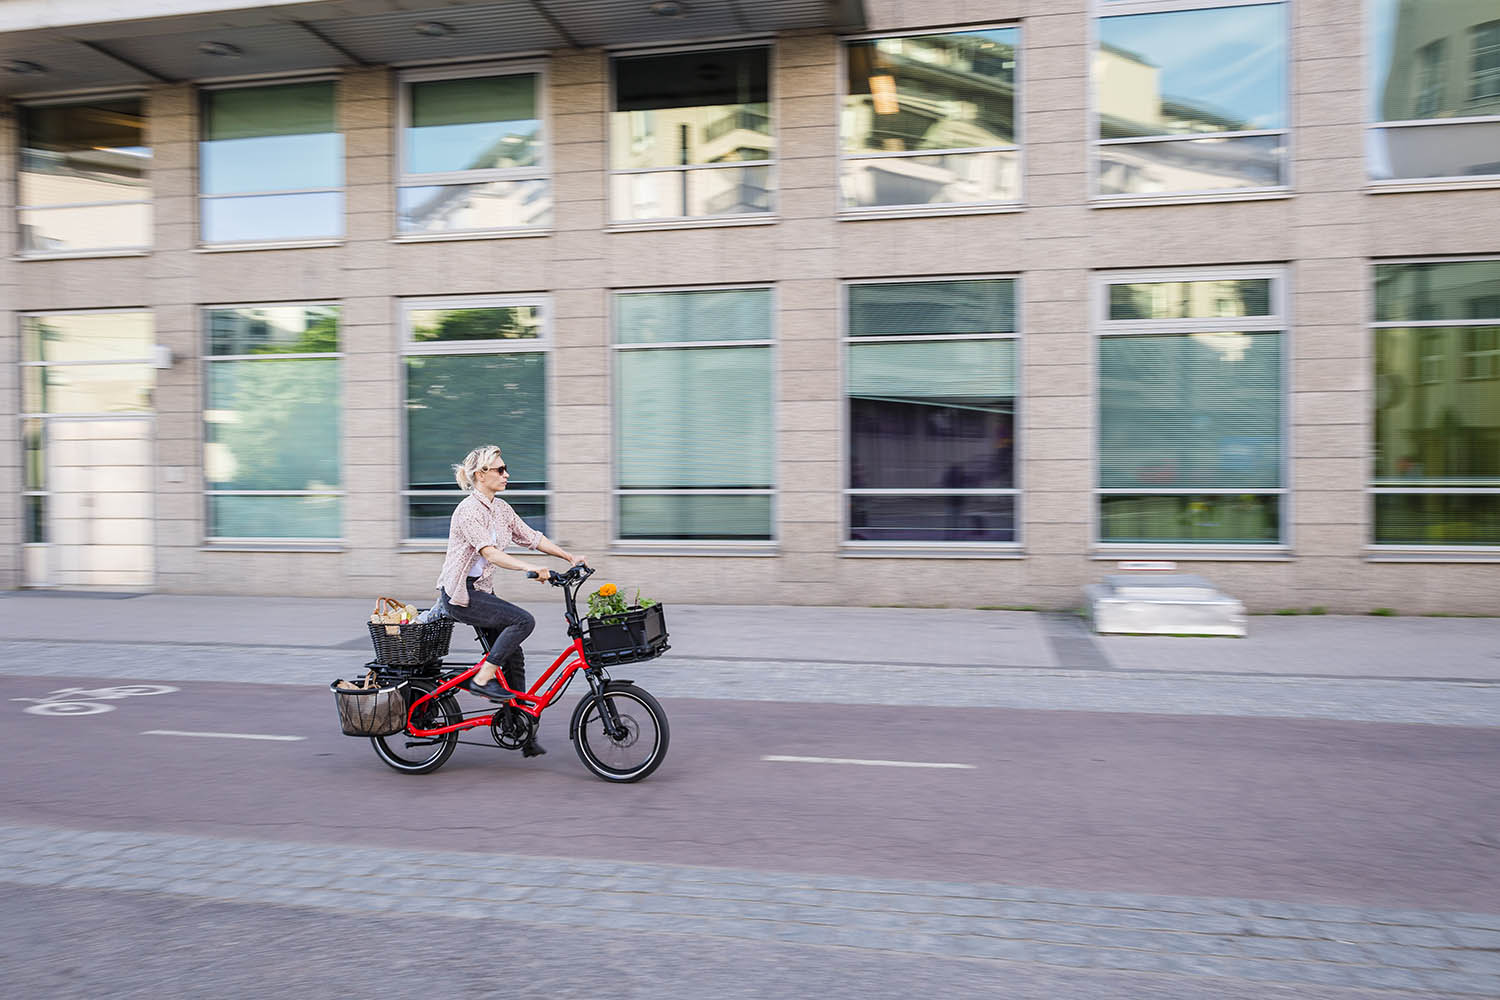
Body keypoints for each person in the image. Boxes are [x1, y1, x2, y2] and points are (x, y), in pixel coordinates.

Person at [436, 445, 586, 757]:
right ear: (481, 475)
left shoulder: (500, 509)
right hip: (460, 594)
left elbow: (532, 537)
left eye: (505, 469)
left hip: (481, 592)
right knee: (522, 621)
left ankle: (519, 727)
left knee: (513, 658)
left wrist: (568, 556)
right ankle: (482, 678)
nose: (507, 474)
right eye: (500, 470)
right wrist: (530, 568)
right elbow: (490, 553)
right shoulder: (468, 511)